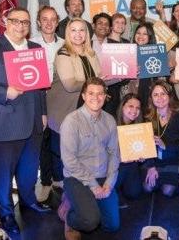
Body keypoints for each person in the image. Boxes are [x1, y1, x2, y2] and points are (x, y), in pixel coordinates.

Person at [0, 8, 50, 235]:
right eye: (16, 21)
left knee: (28, 170)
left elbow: (41, 87)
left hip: (33, 121)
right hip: (5, 124)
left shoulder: (35, 49)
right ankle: (6, 215)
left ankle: (28, 201)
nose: (21, 26)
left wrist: (43, 112)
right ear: (6, 22)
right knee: (4, 176)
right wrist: (5, 91)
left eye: (25, 22)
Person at [58, 77, 120, 239]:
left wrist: (109, 183)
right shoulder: (71, 121)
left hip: (102, 177)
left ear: (105, 96)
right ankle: (68, 215)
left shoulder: (110, 120)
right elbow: (69, 161)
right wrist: (93, 186)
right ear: (84, 96)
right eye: (91, 93)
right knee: (90, 221)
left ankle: (86, 204)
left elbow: (114, 153)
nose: (96, 97)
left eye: (100, 94)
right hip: (76, 178)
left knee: (112, 225)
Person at [47, 18, 101, 195]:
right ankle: (65, 188)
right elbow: (70, 85)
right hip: (64, 108)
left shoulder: (91, 53)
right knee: (66, 152)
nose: (78, 34)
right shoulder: (63, 53)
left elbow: (102, 80)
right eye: (73, 31)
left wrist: (127, 73)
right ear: (67, 34)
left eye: (82, 30)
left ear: (87, 33)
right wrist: (96, 83)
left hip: (84, 107)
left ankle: (80, 186)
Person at [30, 6, 66, 202]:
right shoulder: (30, 45)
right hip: (38, 98)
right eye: (45, 19)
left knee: (58, 139)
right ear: (38, 22)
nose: (49, 23)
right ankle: (45, 181)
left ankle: (59, 178)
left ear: (57, 22)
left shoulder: (65, 44)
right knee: (42, 141)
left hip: (60, 99)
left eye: (53, 19)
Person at [143, 81, 179, 197]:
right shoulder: (149, 116)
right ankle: (160, 177)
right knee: (147, 188)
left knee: (167, 191)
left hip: (175, 159)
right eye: (155, 94)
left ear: (169, 95)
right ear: (151, 98)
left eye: (163, 94)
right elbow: (146, 145)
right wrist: (151, 166)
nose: (160, 98)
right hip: (156, 160)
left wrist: (166, 146)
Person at [120, 22, 157, 115]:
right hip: (130, 98)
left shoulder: (157, 53)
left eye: (145, 34)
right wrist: (130, 72)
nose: (141, 36)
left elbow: (160, 81)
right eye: (138, 33)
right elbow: (120, 79)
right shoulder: (126, 52)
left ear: (150, 36)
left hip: (150, 99)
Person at [115, 93, 143, 205]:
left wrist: (142, 156)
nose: (134, 110)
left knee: (134, 193)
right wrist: (120, 159)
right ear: (122, 106)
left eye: (137, 108)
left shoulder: (140, 127)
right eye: (130, 106)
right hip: (114, 166)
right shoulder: (111, 123)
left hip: (131, 165)